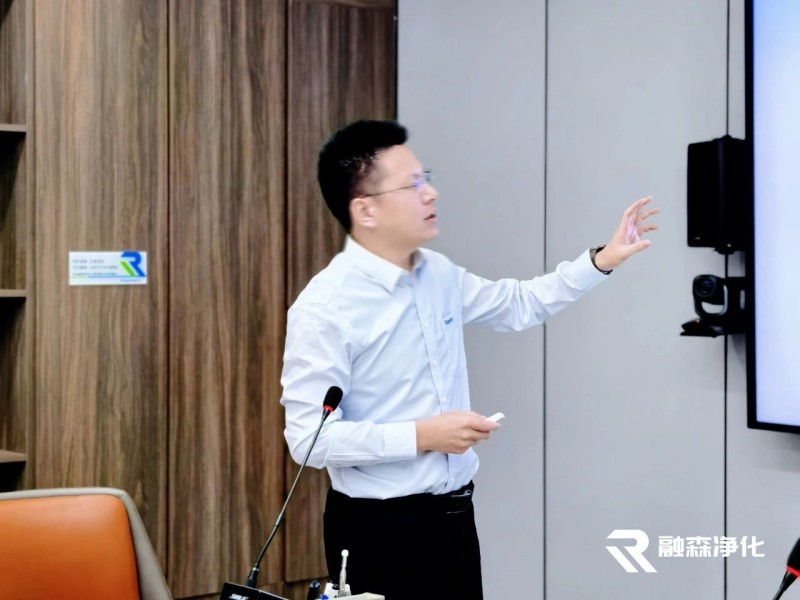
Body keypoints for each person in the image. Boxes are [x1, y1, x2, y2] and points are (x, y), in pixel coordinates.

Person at [280, 120, 658, 599]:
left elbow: (519, 304)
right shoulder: (325, 307)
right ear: (366, 209)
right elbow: (309, 441)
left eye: (426, 177)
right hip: (380, 529)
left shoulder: (436, 274)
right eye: (412, 185)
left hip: (455, 518)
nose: (431, 193)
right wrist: (424, 435)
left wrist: (601, 260)